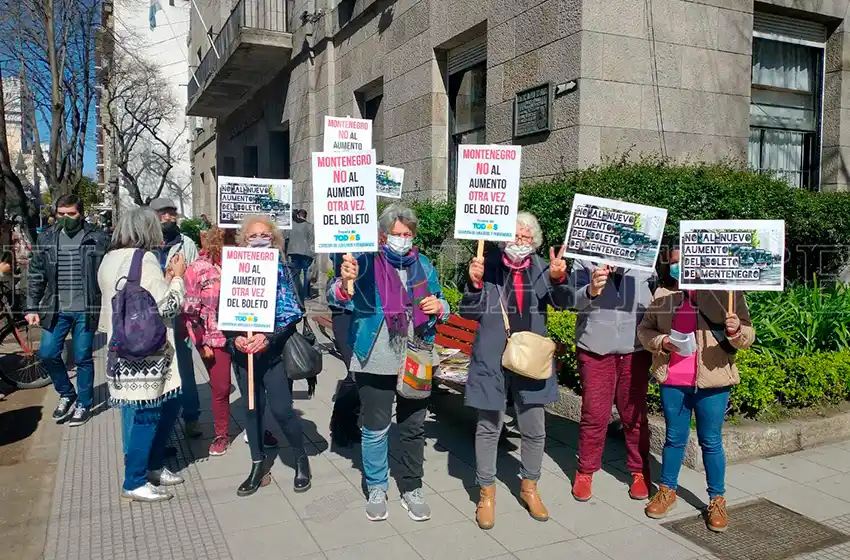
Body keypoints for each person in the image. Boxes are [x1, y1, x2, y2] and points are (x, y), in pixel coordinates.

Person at [329, 203, 450, 523]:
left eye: (408, 234)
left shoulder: (423, 264)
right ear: (383, 235)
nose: (402, 239)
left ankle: (412, 488)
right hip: (376, 359)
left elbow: (442, 303)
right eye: (397, 234)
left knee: (413, 428)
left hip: (415, 358)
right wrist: (343, 284)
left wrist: (440, 305)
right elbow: (335, 296)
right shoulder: (364, 262)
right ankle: (377, 487)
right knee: (375, 428)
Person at [461, 213, 573, 529]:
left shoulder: (543, 268)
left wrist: (559, 279)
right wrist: (474, 284)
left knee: (535, 428)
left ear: (533, 242)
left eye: (525, 237)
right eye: (514, 236)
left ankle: (530, 487)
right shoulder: (486, 264)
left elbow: (564, 303)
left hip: (531, 359)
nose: (520, 242)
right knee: (488, 428)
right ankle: (486, 494)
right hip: (492, 359)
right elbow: (468, 312)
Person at [637, 248, 754, 532]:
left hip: (713, 382)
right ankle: (667, 491)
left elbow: (748, 337)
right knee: (674, 439)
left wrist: (736, 331)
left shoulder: (726, 294)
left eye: (684, 261)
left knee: (711, 441)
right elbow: (645, 331)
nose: (678, 266)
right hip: (673, 381)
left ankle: (717, 499)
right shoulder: (663, 295)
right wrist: (662, 342)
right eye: (674, 262)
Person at [98, 207, 187, 502]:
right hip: (149, 352)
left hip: (122, 348)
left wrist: (164, 278)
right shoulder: (144, 259)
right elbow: (168, 306)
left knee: (168, 403)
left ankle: (153, 466)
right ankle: (135, 480)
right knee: (149, 413)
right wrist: (178, 278)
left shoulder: (108, 259)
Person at [226, 215, 311, 497]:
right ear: (243, 240)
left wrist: (268, 338)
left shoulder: (283, 270)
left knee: (282, 410)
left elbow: (293, 314)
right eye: (252, 236)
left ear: (273, 239)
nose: (259, 240)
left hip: (273, 354)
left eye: (264, 235)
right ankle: (257, 464)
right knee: (252, 410)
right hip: (244, 356)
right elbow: (223, 312)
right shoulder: (232, 270)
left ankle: (300, 457)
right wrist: (235, 339)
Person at [569, 257, 656, 502]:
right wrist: (591, 289)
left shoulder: (644, 258)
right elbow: (572, 301)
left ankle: (639, 470)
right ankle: (586, 470)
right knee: (594, 413)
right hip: (595, 348)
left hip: (635, 349)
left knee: (634, 414)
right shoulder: (583, 259)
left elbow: (655, 296)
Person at [25, 194, 108, 427]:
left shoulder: (97, 238)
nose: (66, 218)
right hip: (56, 308)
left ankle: (84, 403)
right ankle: (66, 393)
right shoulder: (47, 237)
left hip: (86, 309)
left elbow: (109, 270)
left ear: (81, 213)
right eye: (61, 214)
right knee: (47, 353)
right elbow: (36, 273)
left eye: (71, 214)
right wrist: (31, 306)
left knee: (82, 357)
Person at [149, 197, 201, 439]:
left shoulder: (186, 243)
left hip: (179, 314)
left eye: (171, 213)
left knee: (184, 366)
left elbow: (196, 277)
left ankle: (191, 417)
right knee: (158, 369)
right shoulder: (145, 243)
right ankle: (161, 423)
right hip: (151, 316)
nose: (168, 218)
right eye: (163, 214)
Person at [285, 209, 315, 303]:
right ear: (305, 216)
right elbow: (312, 241)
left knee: (295, 274)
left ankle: (296, 293)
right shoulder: (310, 226)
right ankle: (306, 295)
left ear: (298, 215)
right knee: (306, 274)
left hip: (293, 252)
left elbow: (286, 237)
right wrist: (313, 255)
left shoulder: (292, 225)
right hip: (306, 253)